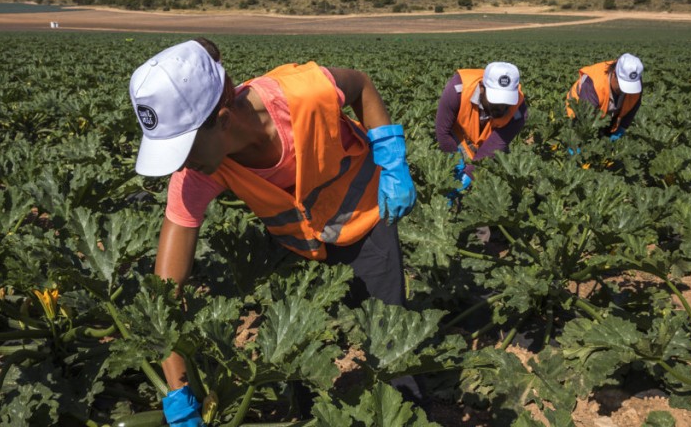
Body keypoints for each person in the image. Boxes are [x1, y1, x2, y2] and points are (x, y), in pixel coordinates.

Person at [128, 39, 419, 426]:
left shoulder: (304, 95)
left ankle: (408, 413)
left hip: (365, 221)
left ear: (223, 119)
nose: (180, 165)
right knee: (294, 357)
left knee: (391, 341)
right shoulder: (195, 174)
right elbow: (165, 292)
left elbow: (361, 85)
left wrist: (392, 156)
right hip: (299, 246)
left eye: (183, 149)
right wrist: (178, 392)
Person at [434, 62, 528, 197]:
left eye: (506, 101)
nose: (502, 107)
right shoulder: (457, 89)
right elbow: (443, 132)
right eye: (496, 100)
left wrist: (469, 175)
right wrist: (455, 161)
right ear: (482, 88)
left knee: (485, 178)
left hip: (488, 140)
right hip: (459, 135)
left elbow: (491, 149)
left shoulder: (518, 112)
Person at [565, 53, 644, 142]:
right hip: (579, 112)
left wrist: (622, 127)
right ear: (614, 74)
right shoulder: (593, 84)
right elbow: (584, 119)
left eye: (630, 87)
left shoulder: (635, 81)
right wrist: (576, 141)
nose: (625, 91)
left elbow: (634, 104)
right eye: (622, 86)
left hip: (606, 112)